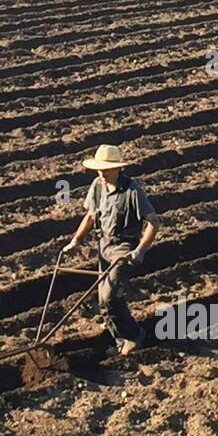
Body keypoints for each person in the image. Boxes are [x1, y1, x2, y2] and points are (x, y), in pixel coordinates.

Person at [62, 144, 162, 357]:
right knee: (103, 300)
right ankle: (120, 340)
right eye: (99, 169)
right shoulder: (98, 185)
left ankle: (135, 336)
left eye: (106, 169)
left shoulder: (132, 191)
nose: (102, 173)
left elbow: (154, 222)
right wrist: (76, 241)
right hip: (103, 246)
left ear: (117, 169)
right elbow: (90, 216)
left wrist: (140, 251)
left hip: (123, 249)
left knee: (109, 297)